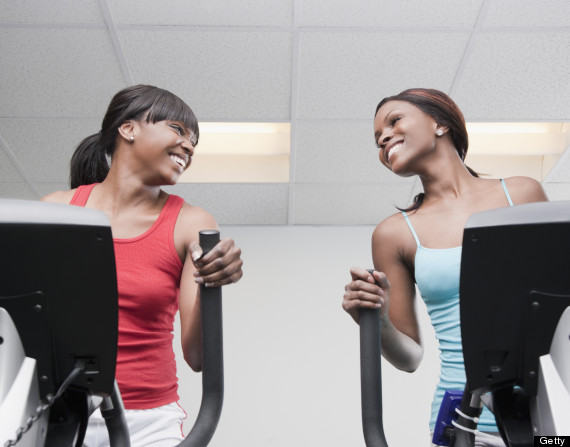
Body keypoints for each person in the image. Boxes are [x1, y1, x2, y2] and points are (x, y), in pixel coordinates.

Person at [342, 88, 548, 446]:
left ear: (440, 123)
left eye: (394, 121)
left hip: (549, 410)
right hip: (466, 423)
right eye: (378, 139)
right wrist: (377, 318)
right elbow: (409, 358)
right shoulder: (393, 234)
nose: (384, 138)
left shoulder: (522, 194)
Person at [41, 84, 243, 447]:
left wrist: (212, 283)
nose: (189, 146)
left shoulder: (188, 222)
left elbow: (197, 356)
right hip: (59, 411)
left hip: (147, 421)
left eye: (194, 141)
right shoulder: (56, 210)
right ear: (128, 128)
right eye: (178, 130)